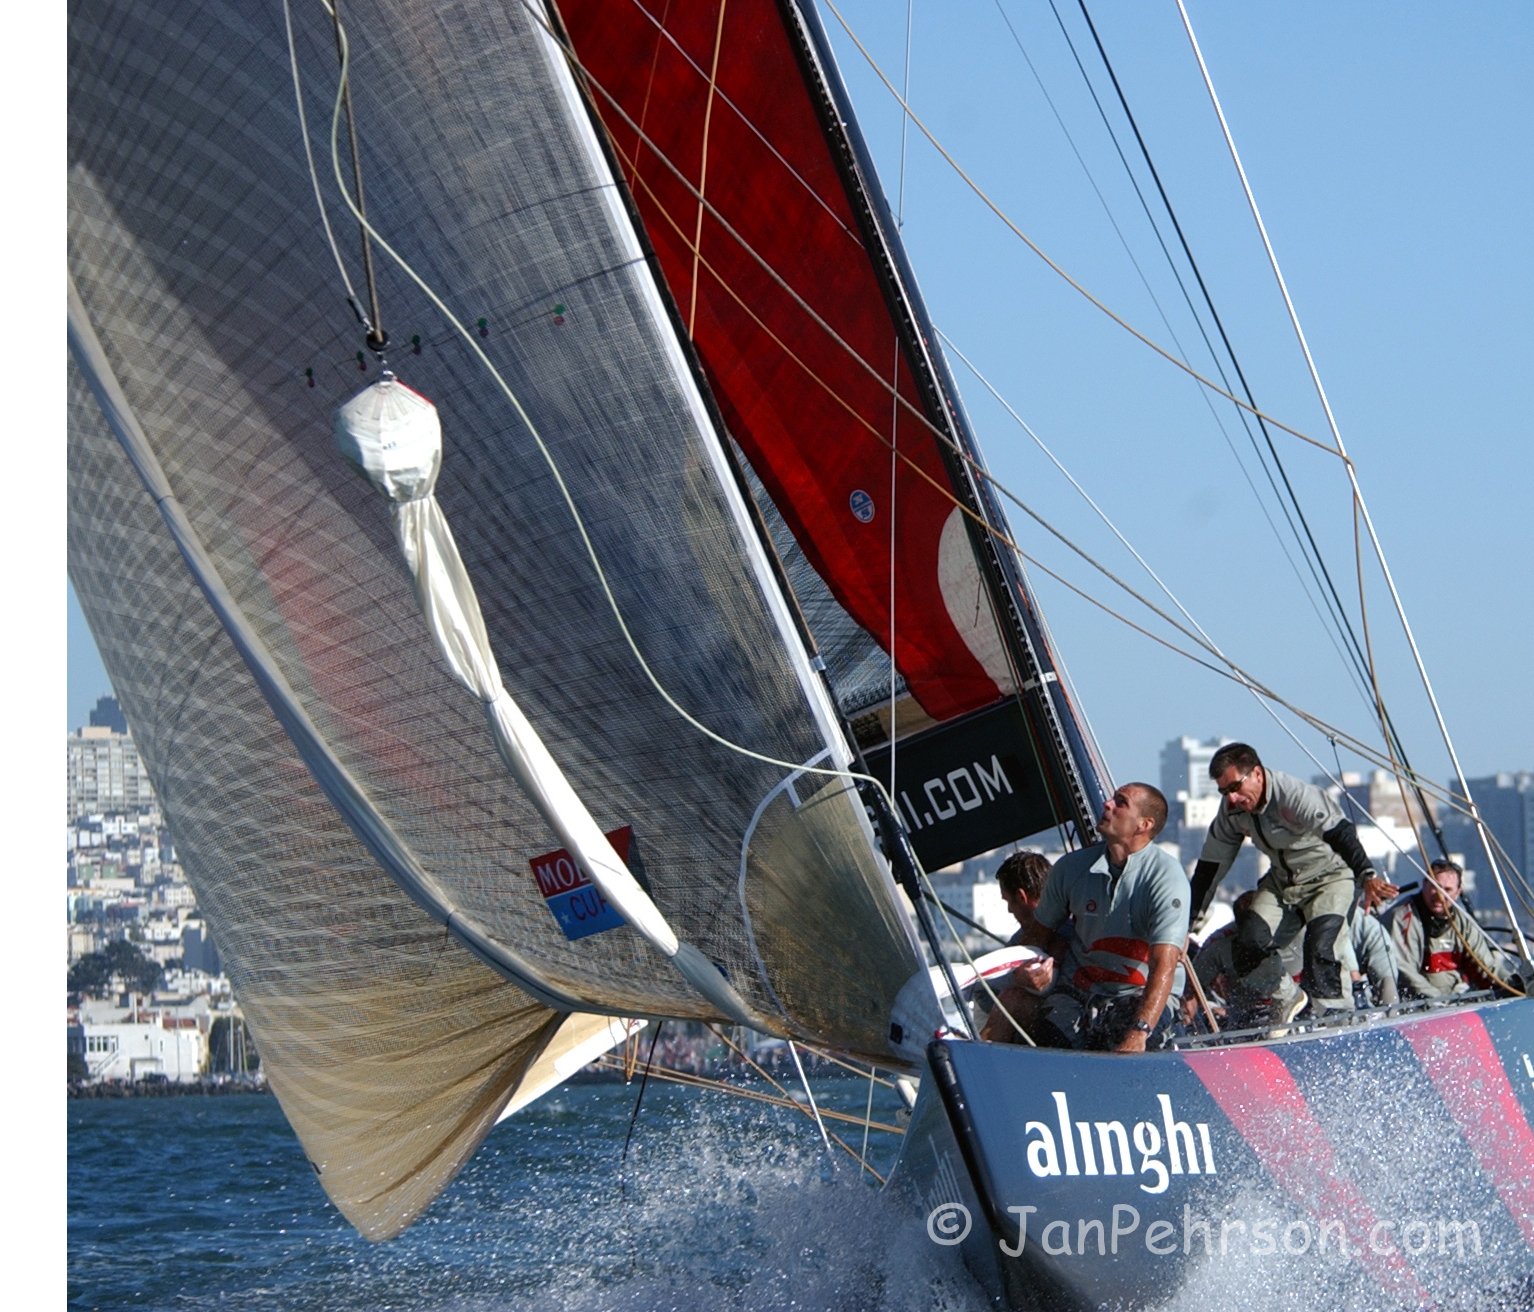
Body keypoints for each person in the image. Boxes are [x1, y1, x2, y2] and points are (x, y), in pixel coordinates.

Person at [1189, 744, 1398, 1021]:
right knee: (1248, 944)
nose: (1233, 797)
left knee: (1321, 948)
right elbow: (1211, 866)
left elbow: (1340, 832)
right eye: (1224, 791)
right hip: (1283, 882)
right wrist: (1188, 923)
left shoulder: (1294, 794)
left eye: (1236, 787)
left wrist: (1367, 876)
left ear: (1257, 774)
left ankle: (1335, 1018)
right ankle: (1288, 997)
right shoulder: (1231, 810)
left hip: (1331, 878)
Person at [1021, 783, 1189, 1053]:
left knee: (1135, 1047)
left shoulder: (1167, 877)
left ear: (1144, 825)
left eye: (1120, 802)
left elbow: (1163, 967)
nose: (1107, 804)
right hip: (1080, 992)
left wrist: (1140, 1032)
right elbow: (1036, 938)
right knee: (1046, 1041)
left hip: (1140, 994)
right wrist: (1026, 973)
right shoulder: (1070, 868)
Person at [1382, 860, 1518, 999]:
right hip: (1420, 1005)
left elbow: (1485, 967)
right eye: (1435, 887)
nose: (1440, 896)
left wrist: (1512, 985)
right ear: (1424, 884)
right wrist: (1439, 1001)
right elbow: (1403, 971)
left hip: (1456, 1001)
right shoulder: (1401, 917)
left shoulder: (1463, 924)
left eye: (1447, 890)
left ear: (1457, 892)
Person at [979, 851, 1056, 1043]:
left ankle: (975, 1060)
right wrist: (1016, 979)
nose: (1009, 910)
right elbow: (983, 993)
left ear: (1022, 897)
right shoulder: (1080, 923)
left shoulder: (1070, 930)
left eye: (1007, 901)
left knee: (1011, 999)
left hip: (1068, 1022)